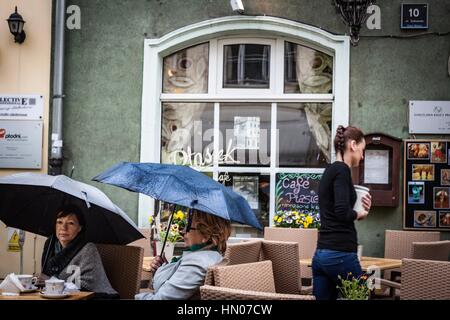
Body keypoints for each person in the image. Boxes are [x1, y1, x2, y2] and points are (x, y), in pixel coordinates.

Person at [312, 125, 372, 300]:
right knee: (360, 297)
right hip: (340, 255)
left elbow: (336, 209)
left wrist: (360, 206)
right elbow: (341, 212)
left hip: (321, 255)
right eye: (362, 150)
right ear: (353, 145)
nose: (362, 156)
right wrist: (360, 214)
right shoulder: (342, 170)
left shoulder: (330, 170)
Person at [135, 209, 231, 300]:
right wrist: (162, 268)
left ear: (205, 235)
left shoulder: (195, 263)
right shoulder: (213, 255)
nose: (183, 231)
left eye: (188, 226)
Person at [39, 204, 119, 299]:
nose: (63, 227)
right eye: (59, 222)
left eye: (71, 223)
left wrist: (51, 281)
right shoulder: (50, 246)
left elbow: (87, 288)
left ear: (80, 228)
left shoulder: (88, 249)